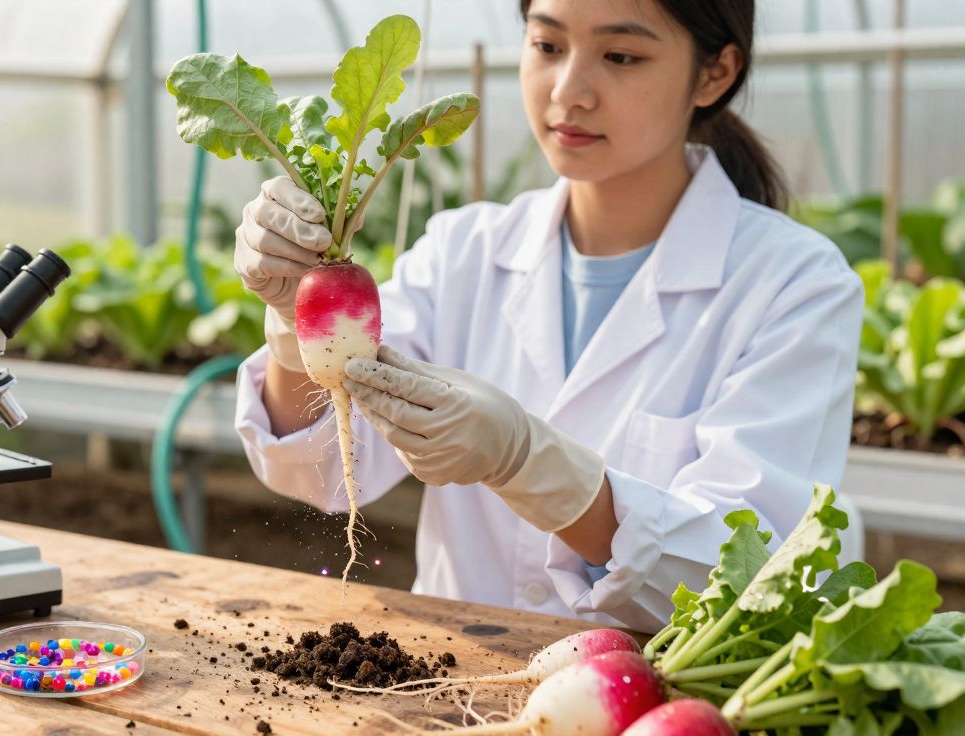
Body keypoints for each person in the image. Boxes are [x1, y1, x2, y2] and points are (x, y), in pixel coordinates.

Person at [230, 0, 863, 632]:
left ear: (714, 74)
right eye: (548, 46)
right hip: (448, 688)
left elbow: (744, 577)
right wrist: (296, 326)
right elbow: (334, 476)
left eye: (620, 56)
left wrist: (531, 465)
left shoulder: (796, 286)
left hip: (646, 706)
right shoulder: (464, 252)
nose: (568, 91)